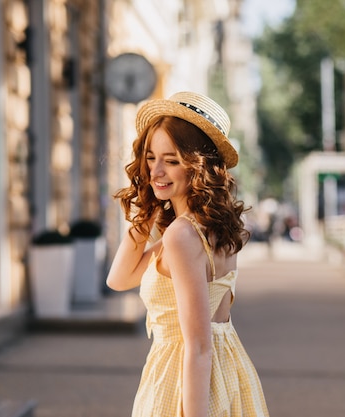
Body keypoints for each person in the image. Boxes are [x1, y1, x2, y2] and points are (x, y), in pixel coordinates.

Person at [106, 91, 270, 417]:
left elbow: (197, 346)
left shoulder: (183, 234)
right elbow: (119, 278)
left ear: (198, 165)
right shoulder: (213, 226)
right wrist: (147, 211)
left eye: (171, 160)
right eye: (151, 157)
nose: (155, 171)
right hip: (228, 372)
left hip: (183, 381)